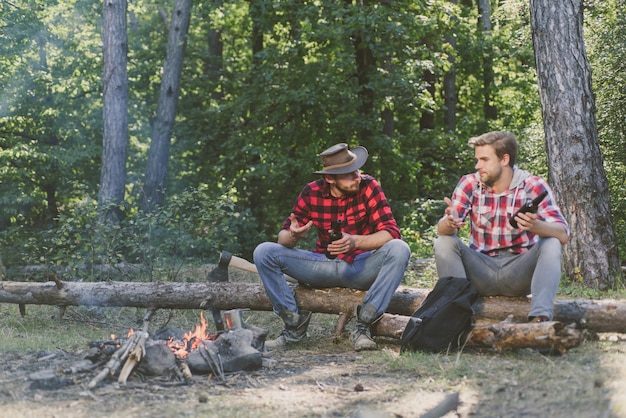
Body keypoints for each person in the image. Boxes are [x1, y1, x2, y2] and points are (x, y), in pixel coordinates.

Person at [253, 143, 411, 351]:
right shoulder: (312, 191)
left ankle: (364, 326)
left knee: (400, 248)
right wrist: (293, 235)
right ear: (329, 178)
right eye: (349, 174)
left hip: (361, 266)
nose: (357, 176)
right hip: (321, 265)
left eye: (356, 170)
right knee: (263, 251)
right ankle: (293, 328)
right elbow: (283, 237)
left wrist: (354, 241)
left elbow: (391, 232)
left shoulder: (369, 186)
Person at [434, 131, 569, 322]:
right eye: (477, 160)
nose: (477, 165)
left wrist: (536, 225)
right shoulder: (470, 183)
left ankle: (540, 321)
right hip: (480, 270)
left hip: (518, 272)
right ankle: (457, 320)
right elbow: (443, 230)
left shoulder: (533, 185)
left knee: (551, 243)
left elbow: (563, 234)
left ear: (504, 159)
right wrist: (448, 223)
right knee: (444, 242)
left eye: (484, 159)